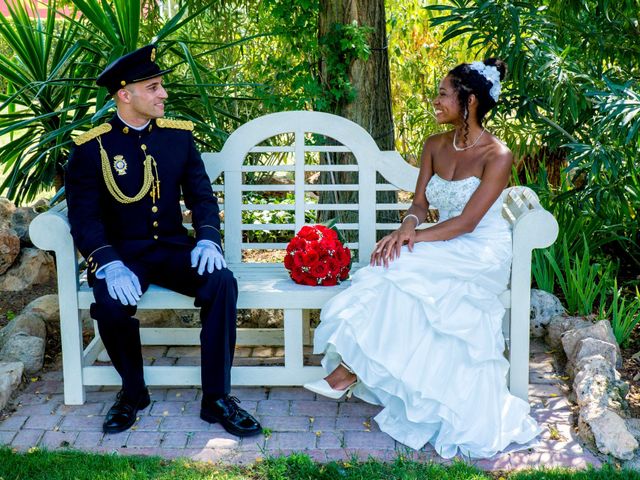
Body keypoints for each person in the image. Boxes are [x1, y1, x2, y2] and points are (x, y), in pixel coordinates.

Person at [304, 59, 540, 458]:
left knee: (408, 268)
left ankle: (351, 370)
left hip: (482, 249)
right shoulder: (434, 145)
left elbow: (467, 222)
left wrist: (411, 237)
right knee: (390, 266)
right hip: (445, 240)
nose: (435, 100)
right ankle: (356, 368)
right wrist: (408, 226)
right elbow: (419, 204)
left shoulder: (498, 155)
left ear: (469, 102)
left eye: (444, 93)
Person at [65, 44, 261, 437]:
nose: (163, 94)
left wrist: (208, 239)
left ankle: (217, 399)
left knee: (222, 282)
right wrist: (107, 260)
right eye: (153, 87)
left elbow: (202, 197)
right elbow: (83, 217)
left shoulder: (177, 139)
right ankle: (133, 394)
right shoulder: (92, 148)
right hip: (124, 255)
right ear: (125, 94)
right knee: (110, 303)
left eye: (161, 86)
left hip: (172, 248)